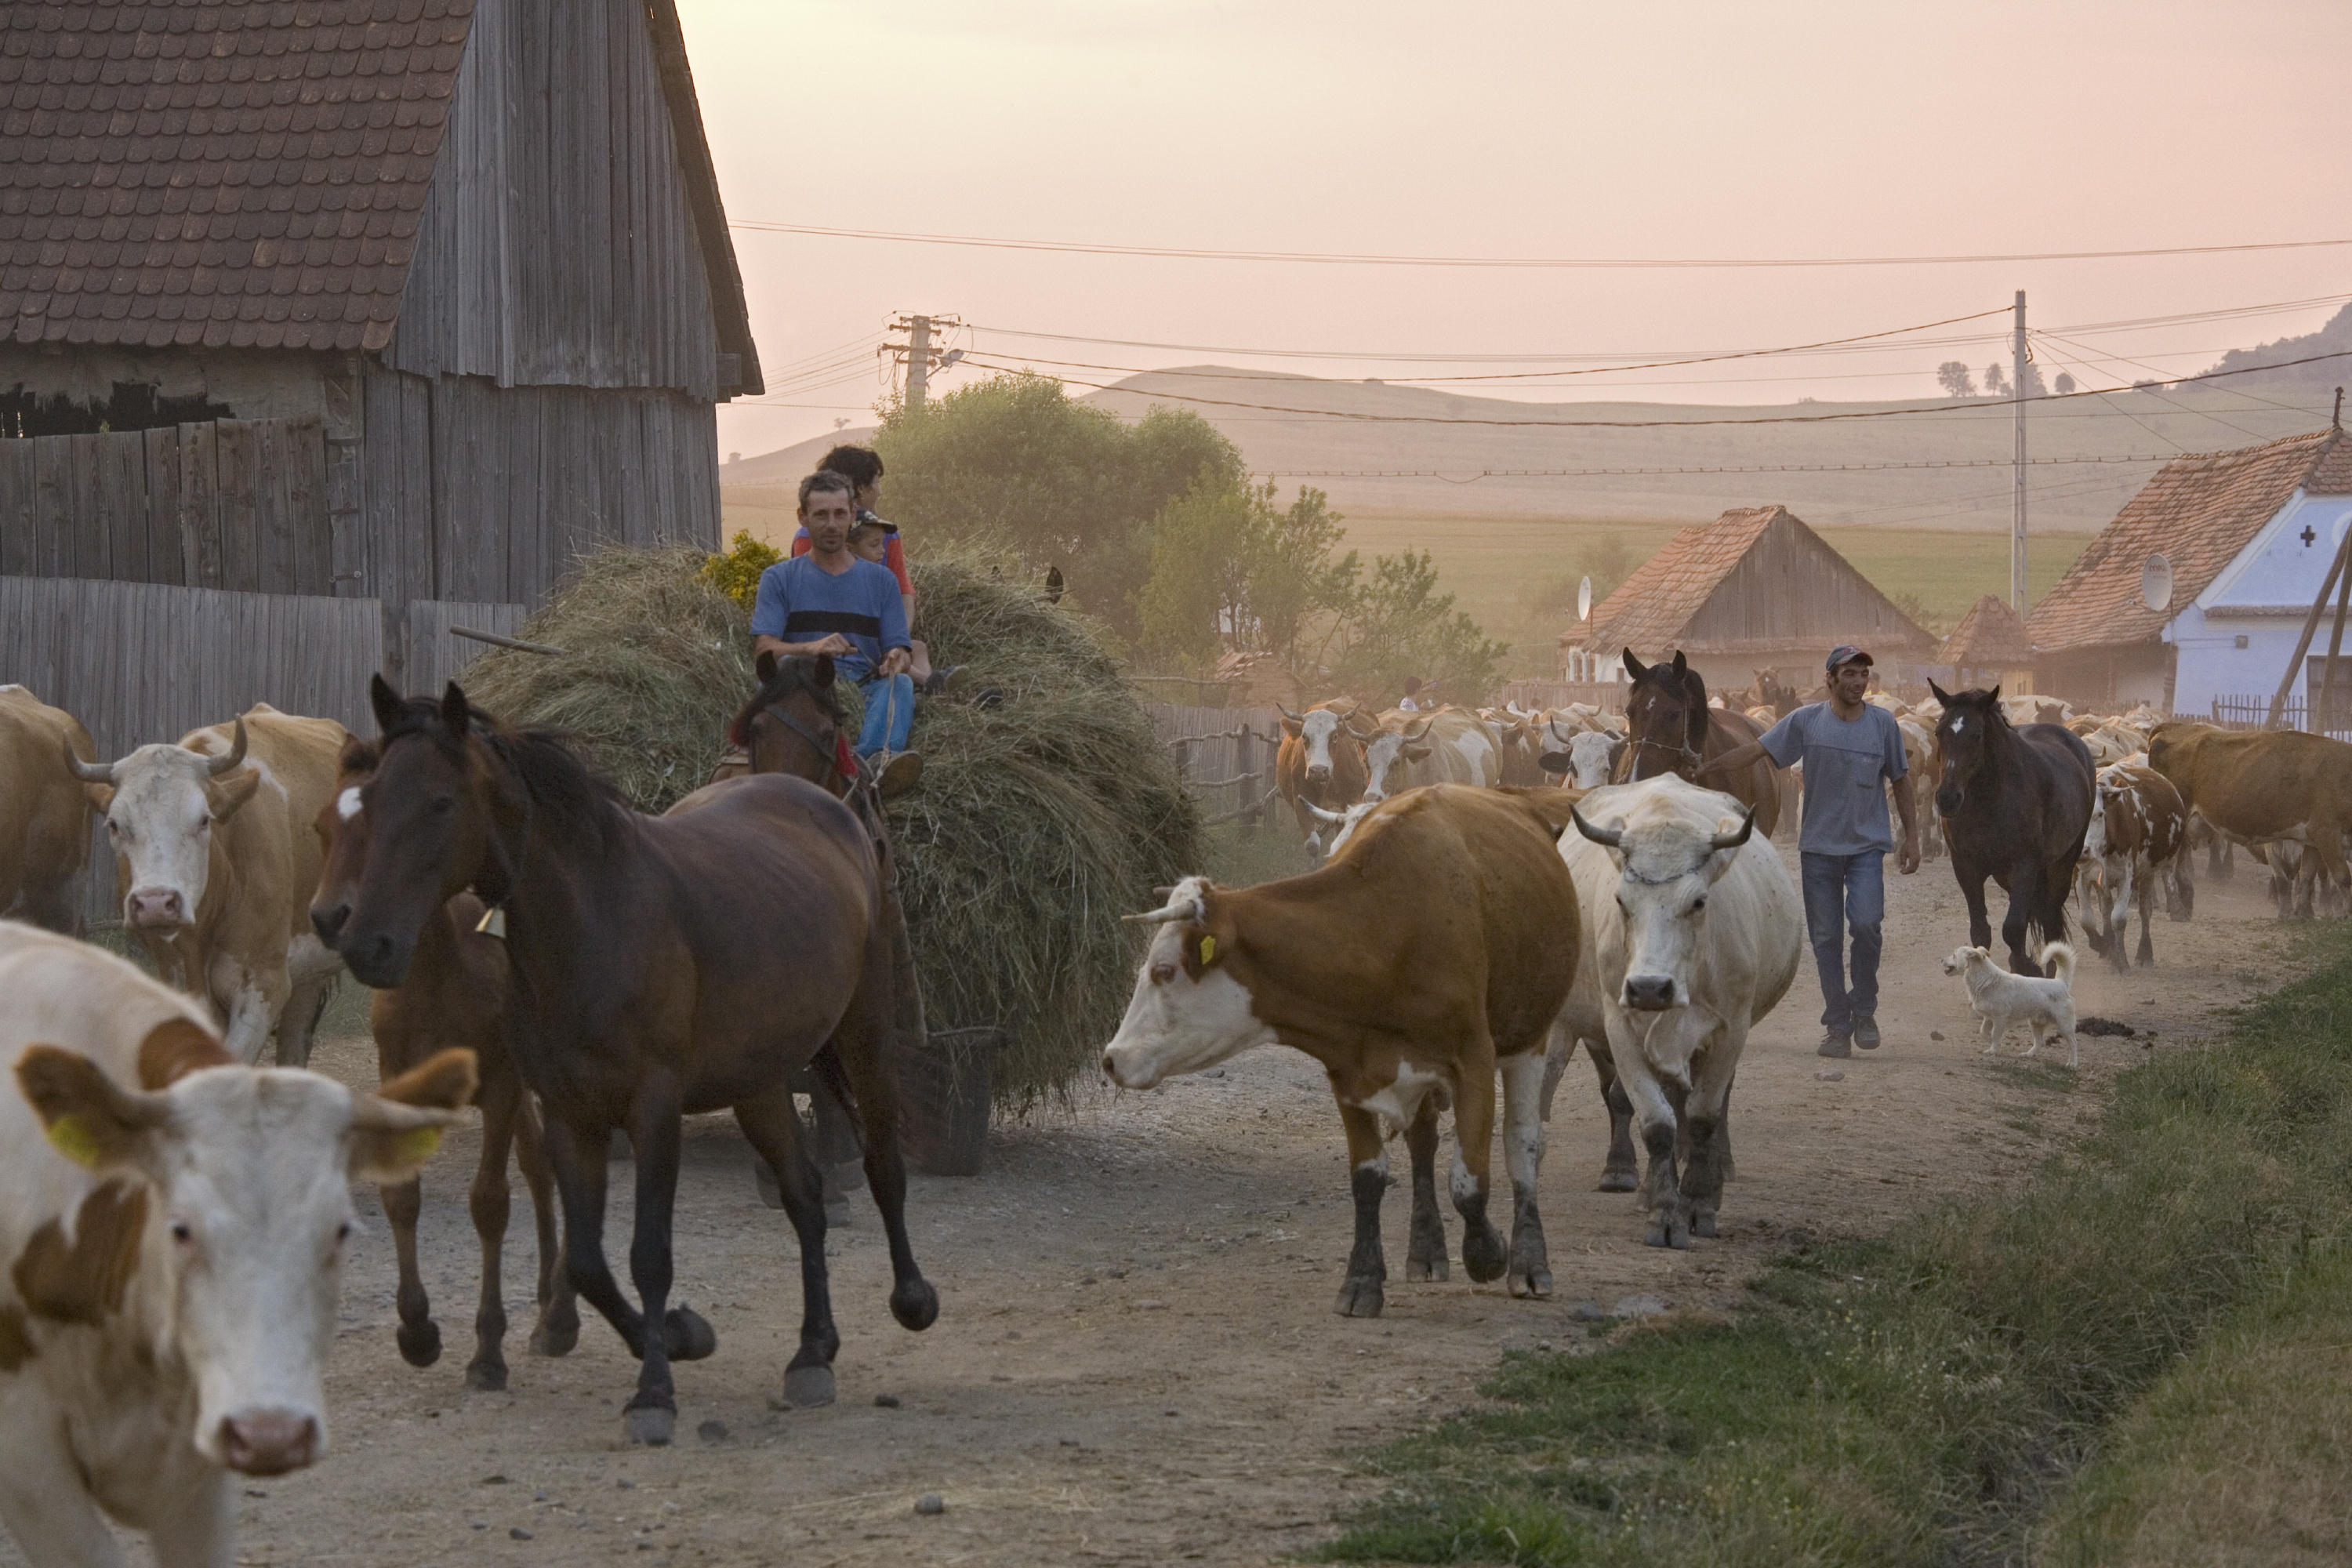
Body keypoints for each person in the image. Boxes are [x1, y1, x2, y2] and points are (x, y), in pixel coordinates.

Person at [1696, 644, 1919, 1058]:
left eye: (1862, 675)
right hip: (1818, 848)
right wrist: (1708, 767)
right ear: (1829, 680)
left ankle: (1864, 1009)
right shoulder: (1806, 721)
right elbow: (1757, 751)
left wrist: (1912, 838)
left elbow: (1902, 781)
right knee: (1825, 938)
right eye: (1848, 675)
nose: (1857, 682)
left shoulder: (1883, 725)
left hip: (1867, 847)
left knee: (1867, 925)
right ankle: (1837, 1025)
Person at [751, 470, 922, 794]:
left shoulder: (882, 582)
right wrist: (812, 649)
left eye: (840, 514)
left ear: (852, 516)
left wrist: (897, 659)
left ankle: (870, 768)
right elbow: (765, 649)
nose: (831, 524)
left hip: (864, 687)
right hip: (802, 688)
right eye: (821, 515)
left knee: (899, 684)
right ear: (803, 517)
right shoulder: (778, 578)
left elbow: (899, 649)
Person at [788, 445, 953, 693]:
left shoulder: (887, 534)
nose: (880, 492)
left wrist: (896, 635)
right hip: (837, 640)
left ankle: (927, 692)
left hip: (876, 629)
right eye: (876, 483)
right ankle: (930, 687)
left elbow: (903, 589)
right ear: (859, 490)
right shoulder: (809, 538)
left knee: (915, 648)